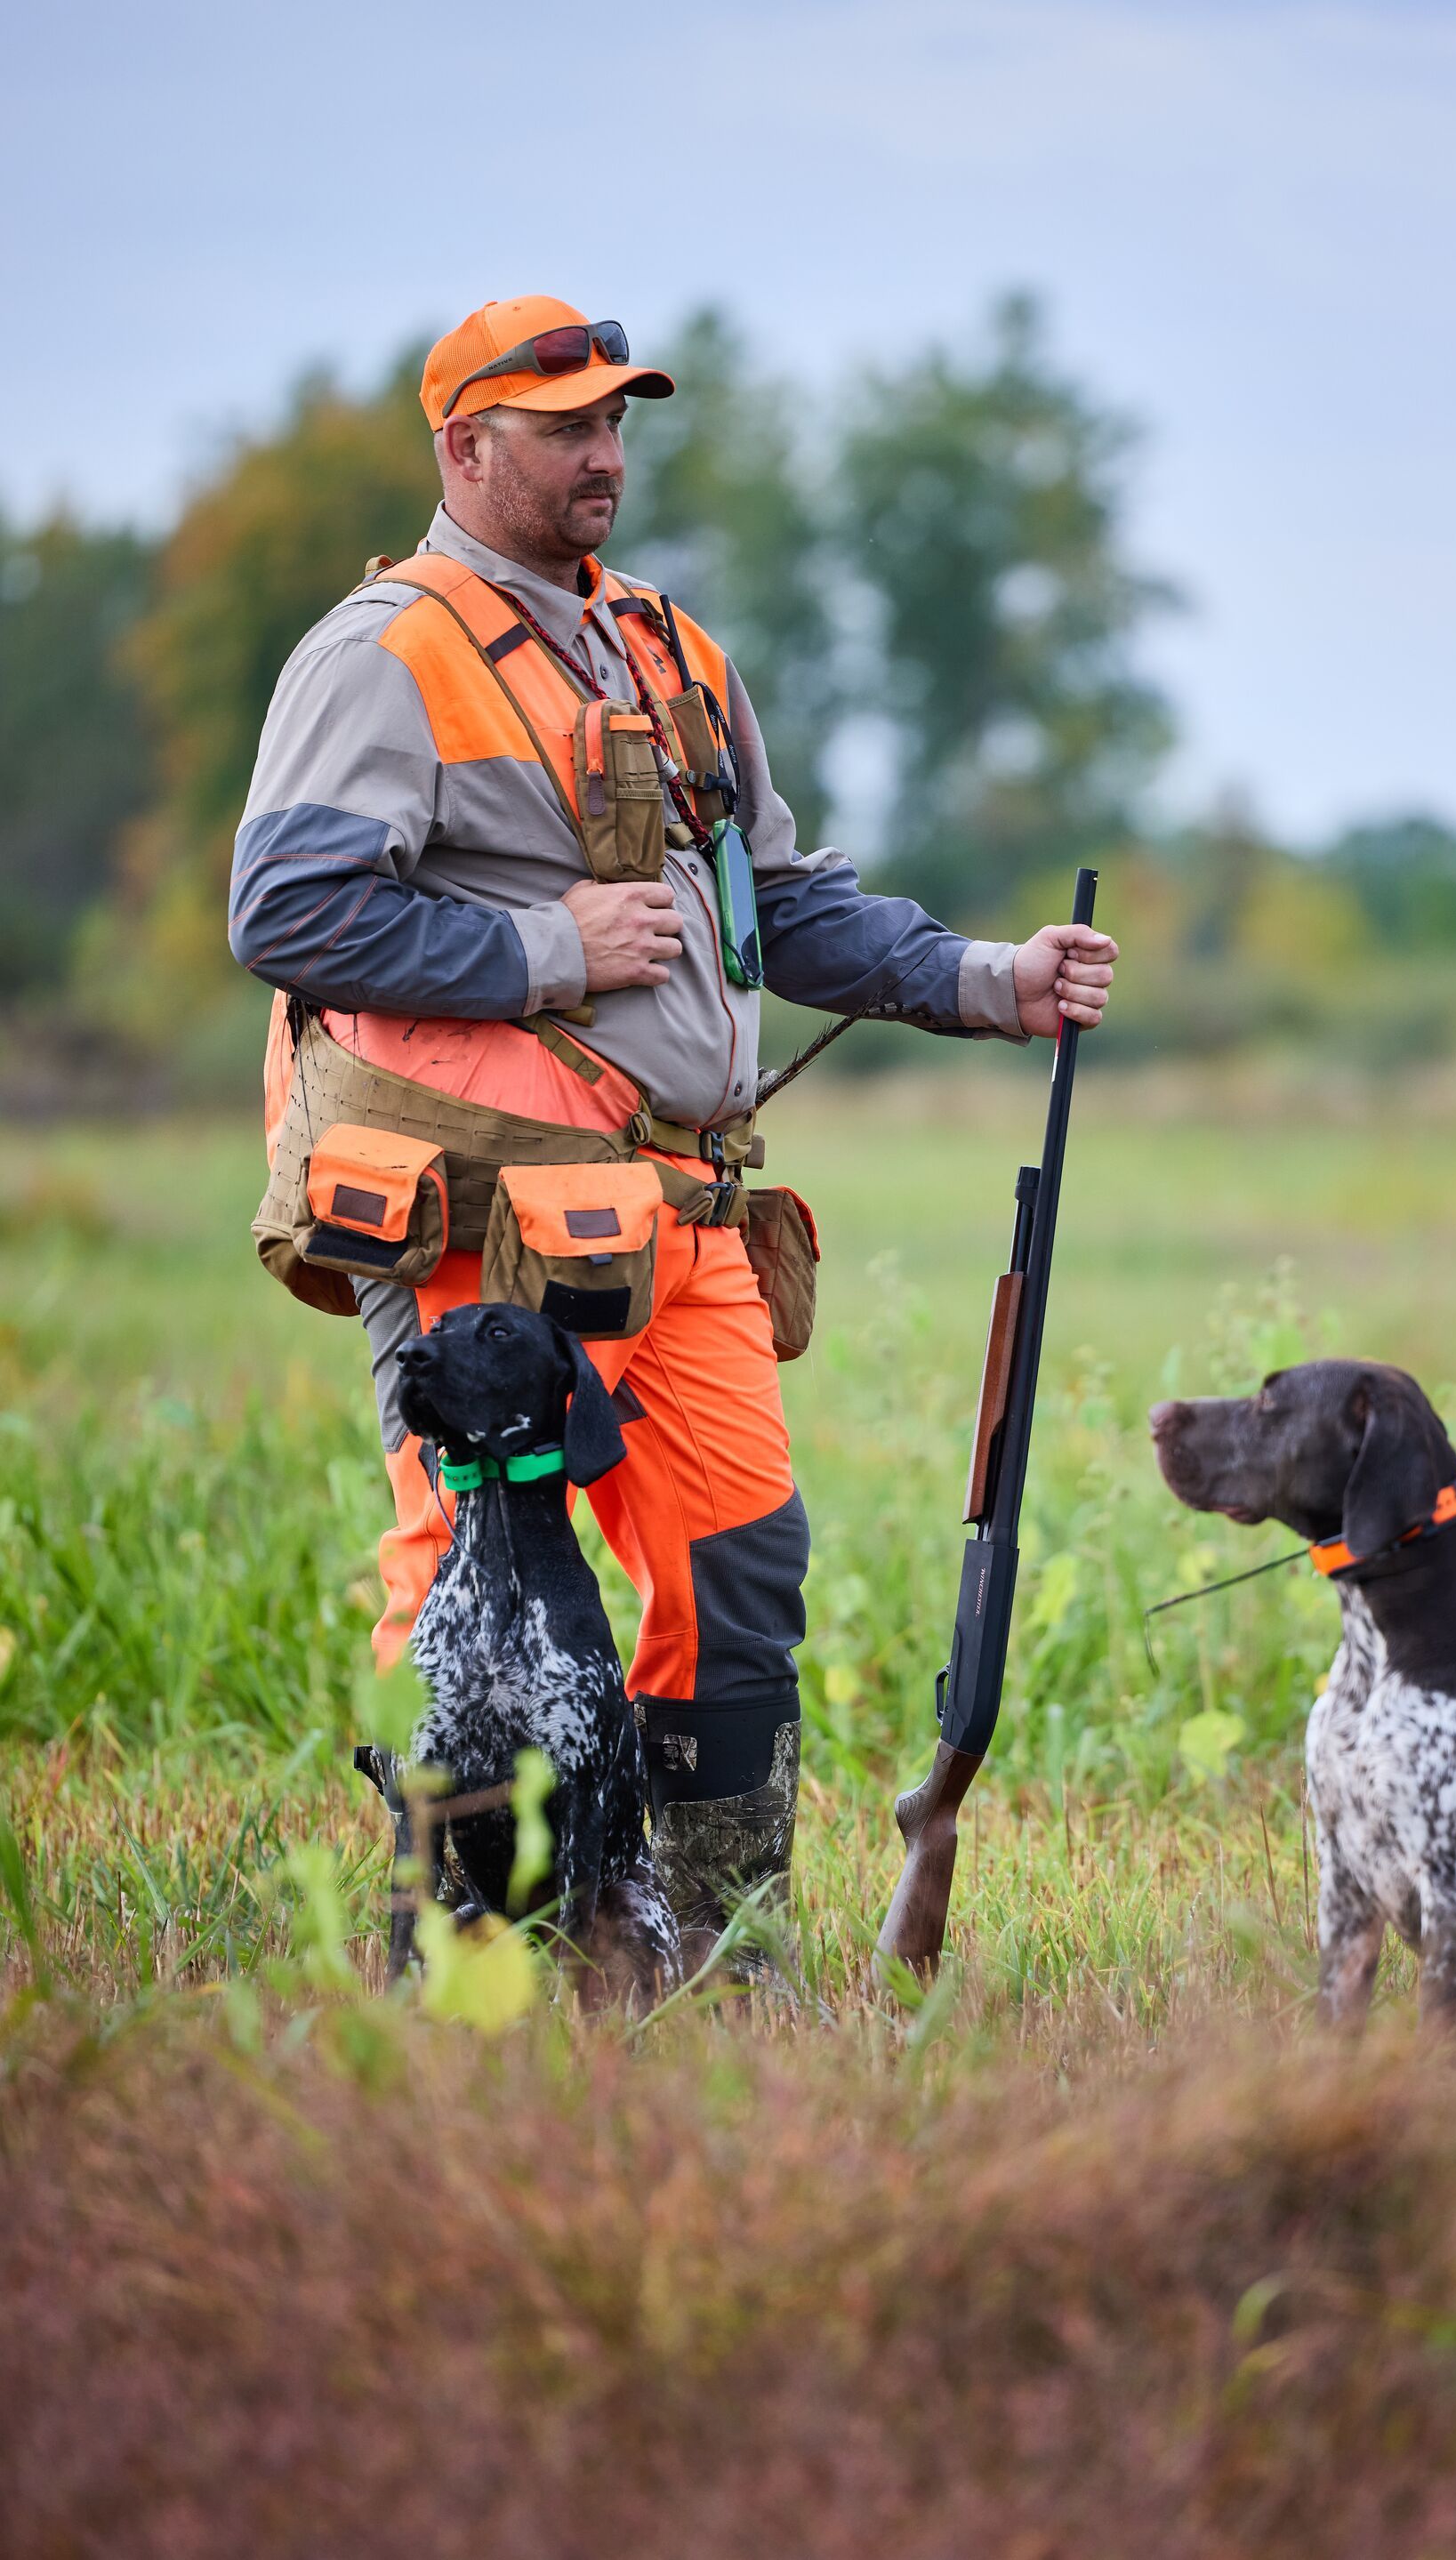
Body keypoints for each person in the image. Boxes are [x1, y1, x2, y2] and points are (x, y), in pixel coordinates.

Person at [230, 294, 1119, 1961]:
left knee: (741, 1576)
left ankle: (707, 1956)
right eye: (564, 426)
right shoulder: (383, 652)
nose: (604, 455)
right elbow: (285, 912)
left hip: (687, 1213)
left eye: (614, 423)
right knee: (479, 1589)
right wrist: (546, 946)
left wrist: (996, 980)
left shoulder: (670, 647)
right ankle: (467, 1962)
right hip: (478, 1216)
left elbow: (781, 904)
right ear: (463, 448)